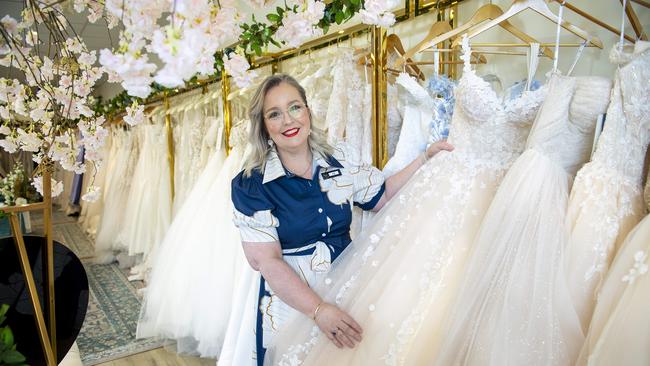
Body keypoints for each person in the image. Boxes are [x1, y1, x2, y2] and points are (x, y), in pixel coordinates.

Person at [230, 74, 453, 366]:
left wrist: (425, 159)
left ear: (308, 111)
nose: (288, 120)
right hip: (291, 305)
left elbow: (381, 195)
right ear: (263, 126)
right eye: (275, 114)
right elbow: (267, 262)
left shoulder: (340, 158)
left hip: (347, 287)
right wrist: (319, 310)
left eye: (294, 107)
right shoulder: (251, 185)